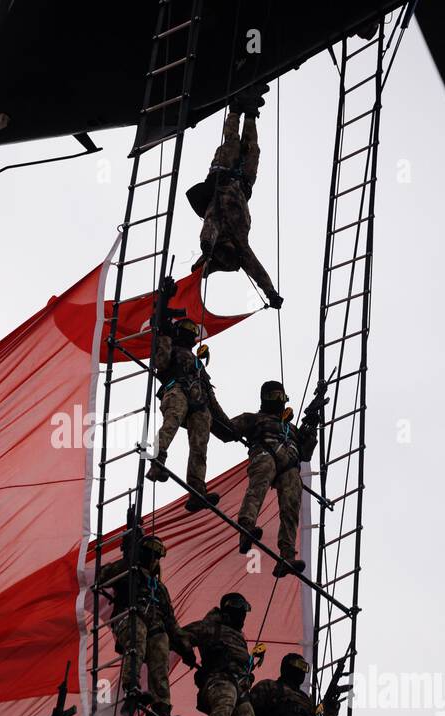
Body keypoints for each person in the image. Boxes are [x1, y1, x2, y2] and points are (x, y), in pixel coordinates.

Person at [188, 82, 283, 309]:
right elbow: (257, 271)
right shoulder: (242, 248)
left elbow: (208, 226)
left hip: (222, 176)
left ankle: (235, 109)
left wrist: (206, 245)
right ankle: (250, 112)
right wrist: (271, 293)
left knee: (231, 142)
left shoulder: (216, 228)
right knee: (252, 149)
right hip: (243, 183)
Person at [212, 380, 321, 577]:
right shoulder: (254, 419)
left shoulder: (292, 429)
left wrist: (311, 426)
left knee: (292, 501)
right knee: (259, 483)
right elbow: (225, 430)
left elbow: (305, 454)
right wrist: (208, 405)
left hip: (289, 465)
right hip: (265, 454)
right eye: (272, 397)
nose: (277, 401)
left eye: (280, 397)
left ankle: (287, 555)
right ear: (263, 399)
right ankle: (246, 527)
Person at [145, 282, 221, 513]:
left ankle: (197, 489)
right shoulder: (170, 348)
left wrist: (227, 427)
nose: (190, 332)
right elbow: (159, 363)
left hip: (199, 404)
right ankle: (158, 462)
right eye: (186, 327)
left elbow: (210, 395)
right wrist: (165, 331)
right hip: (176, 390)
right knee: (171, 423)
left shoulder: (198, 364)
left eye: (192, 329)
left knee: (200, 445)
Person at [95, 534, 186, 716]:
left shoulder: (159, 588)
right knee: (138, 634)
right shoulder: (129, 571)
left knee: (161, 647)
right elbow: (101, 577)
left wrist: (184, 645)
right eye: (150, 553)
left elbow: (171, 622)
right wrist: (127, 562)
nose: (153, 559)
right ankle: (131, 688)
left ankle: (162, 709)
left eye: (156, 556)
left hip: (154, 626)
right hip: (128, 619)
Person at [173, 593, 259, 716]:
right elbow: (180, 636)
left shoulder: (240, 640)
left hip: (240, 689)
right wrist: (186, 650)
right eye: (240, 613)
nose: (243, 618)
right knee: (226, 701)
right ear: (229, 612)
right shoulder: (211, 628)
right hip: (217, 681)